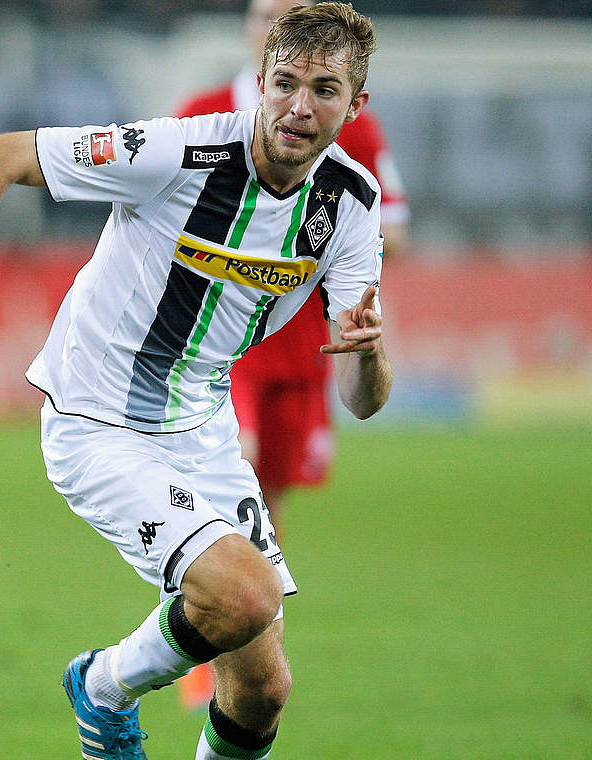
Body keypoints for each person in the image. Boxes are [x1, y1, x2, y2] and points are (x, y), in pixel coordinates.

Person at [0, 4, 390, 759]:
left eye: (323, 89)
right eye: (283, 83)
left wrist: (369, 355)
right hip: (99, 420)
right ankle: (103, 685)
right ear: (258, 83)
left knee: (262, 691)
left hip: (202, 428)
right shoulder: (180, 150)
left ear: (355, 105)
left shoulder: (349, 207)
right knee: (242, 595)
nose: (298, 106)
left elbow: (360, 398)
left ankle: (122, 688)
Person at [177, 0, 409, 531]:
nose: (275, 27)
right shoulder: (203, 112)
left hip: (301, 340)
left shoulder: (352, 128)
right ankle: (214, 603)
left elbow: (391, 232)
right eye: (265, 16)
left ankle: (241, 609)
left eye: (294, 13)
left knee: (264, 508)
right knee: (229, 474)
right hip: (215, 336)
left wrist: (322, 259)